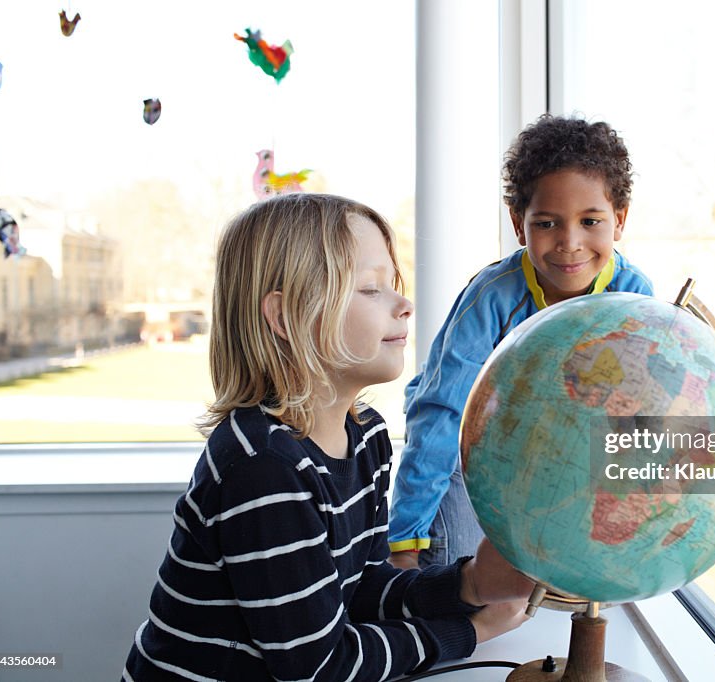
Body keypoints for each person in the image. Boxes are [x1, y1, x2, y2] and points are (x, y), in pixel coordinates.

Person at [122, 193, 532, 681]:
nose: (405, 305)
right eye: (371, 289)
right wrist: (472, 633)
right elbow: (317, 666)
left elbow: (359, 589)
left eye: (393, 285)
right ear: (286, 318)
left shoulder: (366, 439)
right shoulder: (263, 467)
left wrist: (468, 584)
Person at [389, 115, 655, 570]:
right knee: (451, 569)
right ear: (519, 224)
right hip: (467, 449)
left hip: (555, 449)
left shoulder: (634, 298)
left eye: (591, 221)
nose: (570, 243)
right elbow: (441, 412)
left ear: (619, 219)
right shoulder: (491, 299)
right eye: (547, 223)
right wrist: (405, 536)